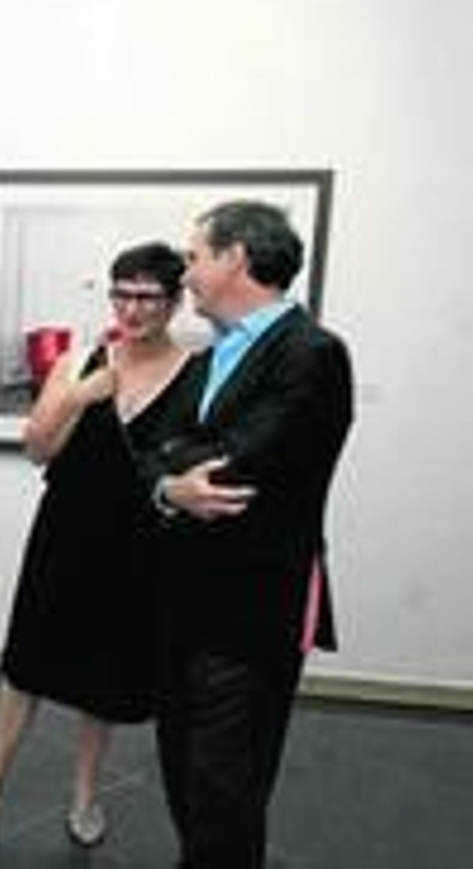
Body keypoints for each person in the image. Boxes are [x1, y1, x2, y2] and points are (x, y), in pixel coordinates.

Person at [0, 242, 193, 847]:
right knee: (26, 661)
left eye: (147, 296)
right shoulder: (83, 360)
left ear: (174, 301)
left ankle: (86, 794)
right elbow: (37, 446)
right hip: (65, 531)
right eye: (123, 294)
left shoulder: (195, 373)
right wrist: (81, 396)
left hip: (139, 543)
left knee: (104, 677)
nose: (133, 309)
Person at [147, 200, 353, 868]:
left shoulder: (313, 353)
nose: (187, 271)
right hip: (182, 601)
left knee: (227, 780)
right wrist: (172, 483)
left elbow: (243, 461)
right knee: (181, 761)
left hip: (254, 609)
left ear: (235, 258)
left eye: (195, 256)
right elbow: (151, 447)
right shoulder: (211, 354)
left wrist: (182, 462)